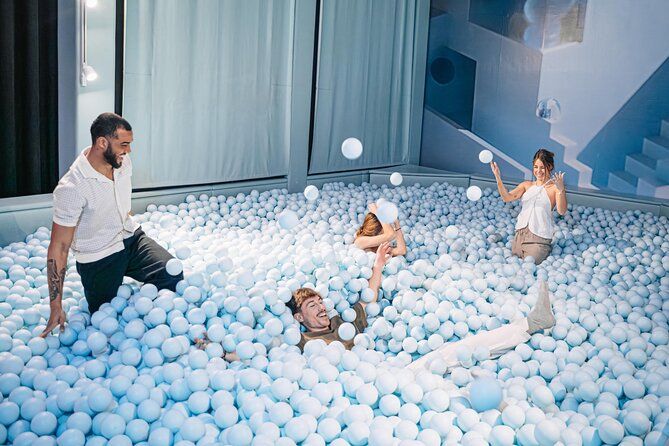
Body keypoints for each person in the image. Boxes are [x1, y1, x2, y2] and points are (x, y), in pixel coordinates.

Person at [40, 113, 183, 337]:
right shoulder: (72, 187)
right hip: (99, 256)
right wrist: (55, 306)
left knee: (173, 275)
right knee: (105, 318)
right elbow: (59, 246)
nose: (128, 151)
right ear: (102, 143)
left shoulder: (122, 161)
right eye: (123, 144)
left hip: (131, 238)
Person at [407, 281, 556, 374]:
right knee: (451, 355)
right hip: (402, 378)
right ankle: (532, 323)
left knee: (449, 354)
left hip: (397, 375)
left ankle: (530, 323)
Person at [288, 242, 393, 350]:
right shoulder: (303, 342)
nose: (322, 308)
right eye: (312, 305)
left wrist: (378, 264)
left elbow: (368, 300)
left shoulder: (340, 322)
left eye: (320, 302)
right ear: (299, 317)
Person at [490, 149, 567, 264]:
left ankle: (545, 250)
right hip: (519, 237)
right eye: (536, 167)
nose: (538, 171)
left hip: (538, 240)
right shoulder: (526, 185)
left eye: (542, 167)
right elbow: (507, 197)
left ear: (550, 167)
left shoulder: (554, 188)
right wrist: (498, 178)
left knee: (528, 266)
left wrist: (561, 190)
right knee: (513, 266)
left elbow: (562, 211)